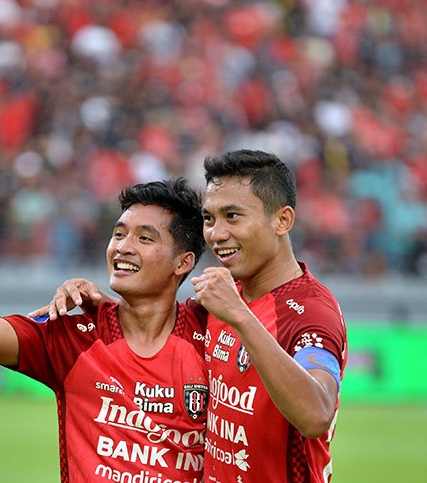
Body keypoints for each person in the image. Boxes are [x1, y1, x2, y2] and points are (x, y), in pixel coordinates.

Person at [37, 150, 348, 482]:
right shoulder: (222, 298)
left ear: (282, 220)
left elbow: (317, 413)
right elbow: (154, 319)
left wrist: (241, 318)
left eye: (233, 216)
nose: (216, 234)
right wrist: (104, 301)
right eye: (210, 218)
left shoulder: (309, 312)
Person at [0, 178, 210, 483]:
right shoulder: (73, 336)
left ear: (183, 263)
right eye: (118, 234)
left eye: (145, 238)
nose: (123, 248)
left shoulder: (213, 335)